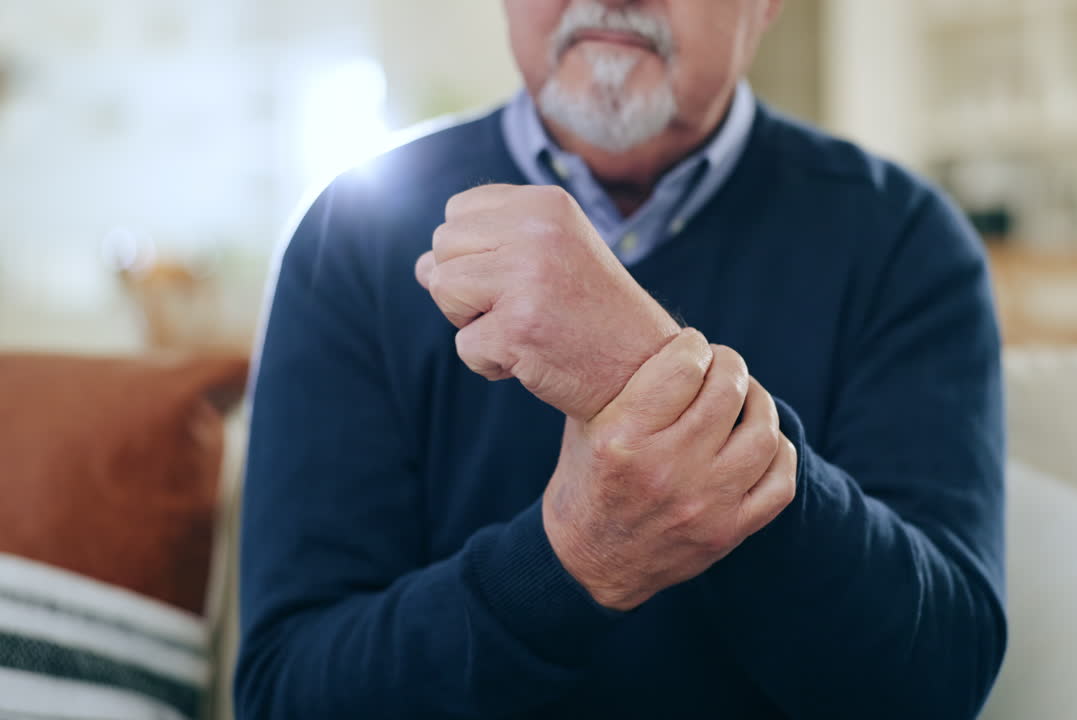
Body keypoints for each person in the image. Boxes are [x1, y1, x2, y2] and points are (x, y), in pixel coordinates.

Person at [235, 0, 1008, 717]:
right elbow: (286, 692)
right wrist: (571, 558)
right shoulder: (351, 233)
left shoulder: (905, 243)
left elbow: (936, 681)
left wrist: (637, 367)